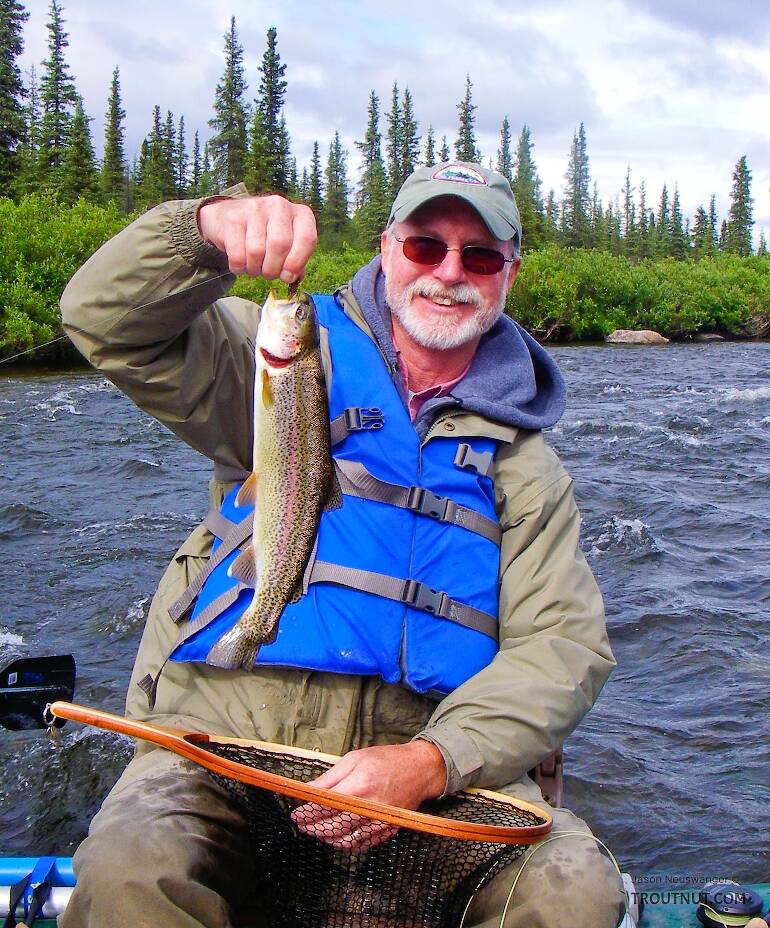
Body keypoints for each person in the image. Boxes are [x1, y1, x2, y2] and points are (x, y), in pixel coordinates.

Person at [59, 162, 622, 928]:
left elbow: (563, 646)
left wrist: (429, 762)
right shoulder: (283, 354)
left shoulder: (527, 467)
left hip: (435, 775)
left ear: (508, 277)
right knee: (132, 872)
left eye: (480, 256)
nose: (450, 273)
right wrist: (203, 233)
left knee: (574, 895)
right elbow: (102, 320)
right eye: (426, 245)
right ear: (387, 248)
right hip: (229, 741)